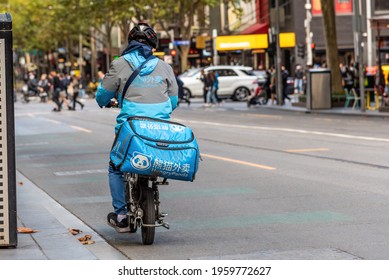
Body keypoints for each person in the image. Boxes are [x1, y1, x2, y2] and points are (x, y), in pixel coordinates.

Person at [95, 23, 178, 233]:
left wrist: (111, 101)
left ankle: (121, 215)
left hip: (131, 127)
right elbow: (174, 101)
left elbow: (102, 96)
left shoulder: (119, 64)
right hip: (160, 128)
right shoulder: (164, 66)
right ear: (153, 44)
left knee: (116, 165)